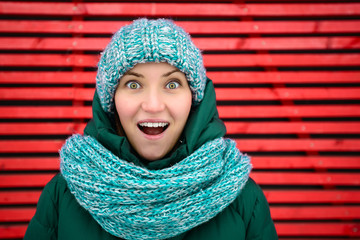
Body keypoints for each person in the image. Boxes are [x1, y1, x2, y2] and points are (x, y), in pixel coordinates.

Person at [24, 18, 277, 240]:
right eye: (134, 85)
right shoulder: (63, 196)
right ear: (111, 101)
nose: (153, 105)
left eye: (172, 84)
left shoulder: (242, 200)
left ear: (194, 99)